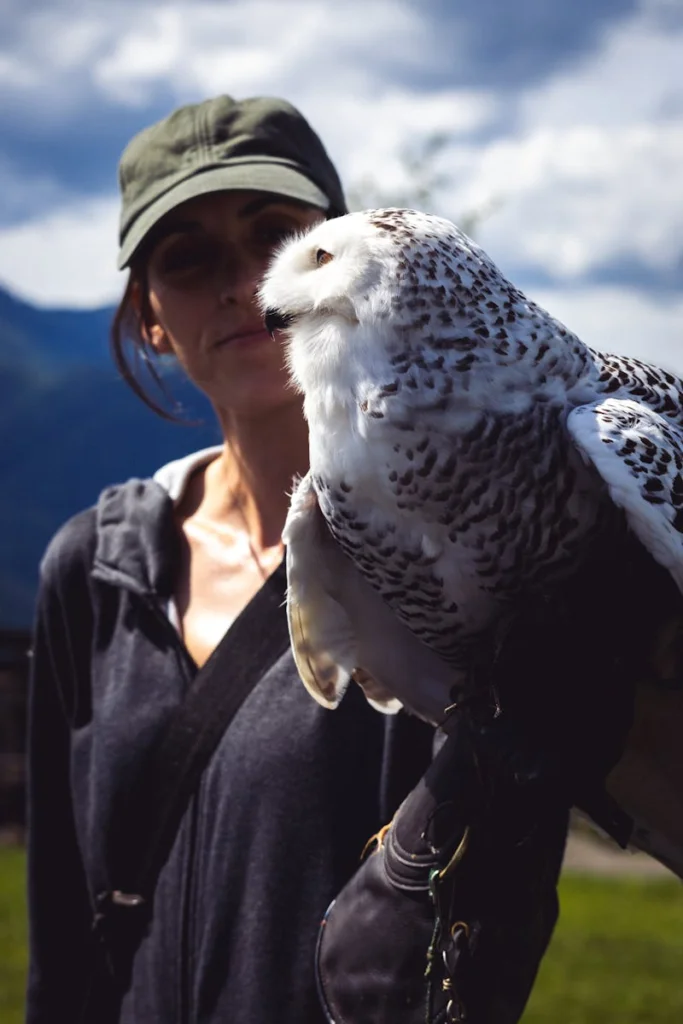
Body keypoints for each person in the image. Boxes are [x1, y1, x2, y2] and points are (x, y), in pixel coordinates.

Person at [25, 94, 434, 1024]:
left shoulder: (437, 561)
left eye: (278, 235)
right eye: (187, 256)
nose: (244, 279)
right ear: (150, 321)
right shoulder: (93, 572)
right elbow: (59, 933)